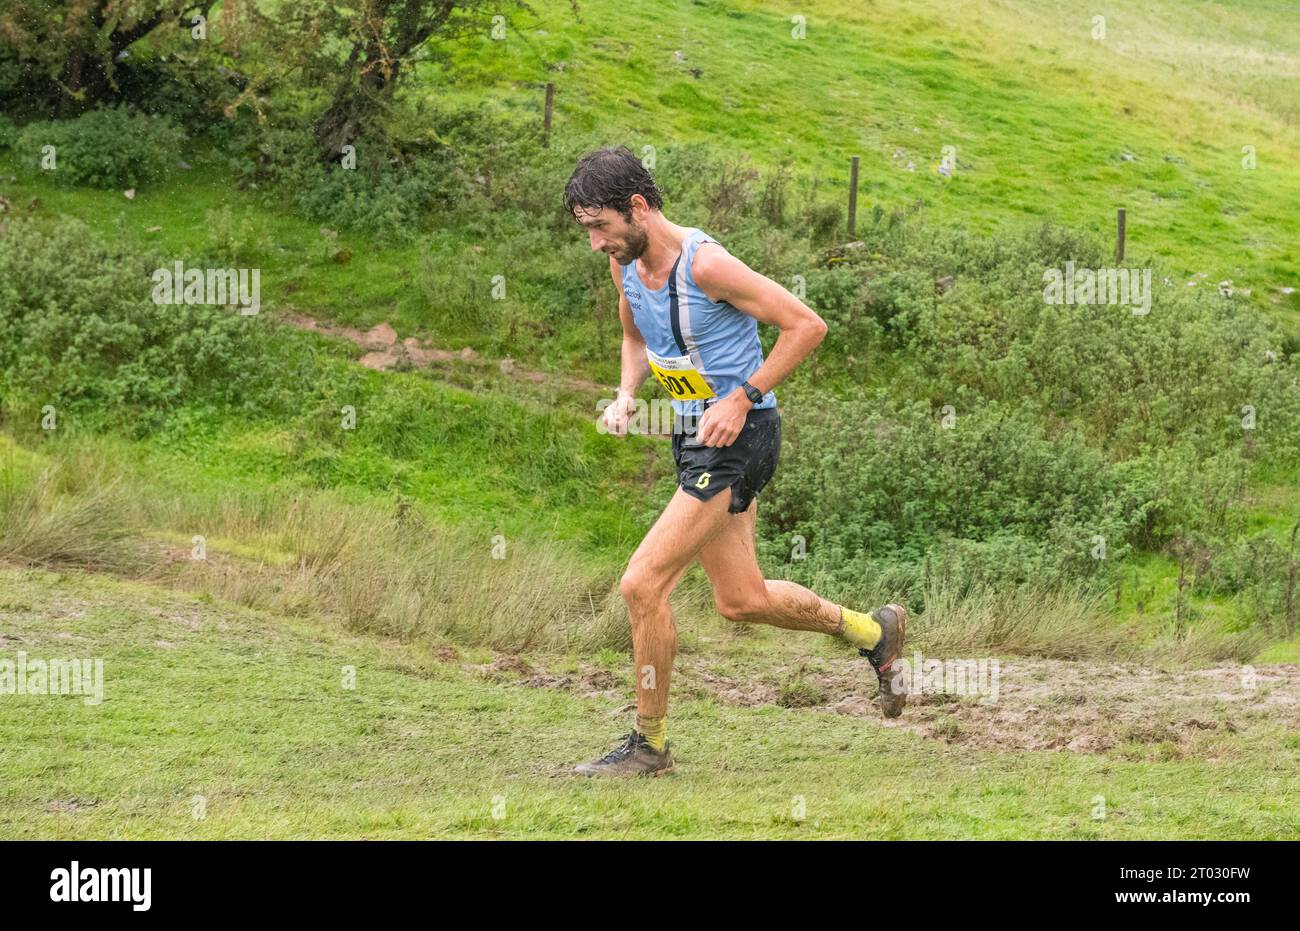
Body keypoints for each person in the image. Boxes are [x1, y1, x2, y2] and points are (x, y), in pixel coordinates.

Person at [564, 146, 907, 777]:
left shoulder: (709, 266)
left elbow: (807, 325)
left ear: (637, 207)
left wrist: (743, 397)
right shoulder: (627, 265)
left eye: (600, 227)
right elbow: (636, 335)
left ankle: (650, 745)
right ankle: (872, 632)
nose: (594, 244)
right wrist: (625, 393)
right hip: (693, 434)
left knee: (642, 583)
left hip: (740, 438)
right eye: (587, 230)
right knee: (741, 599)